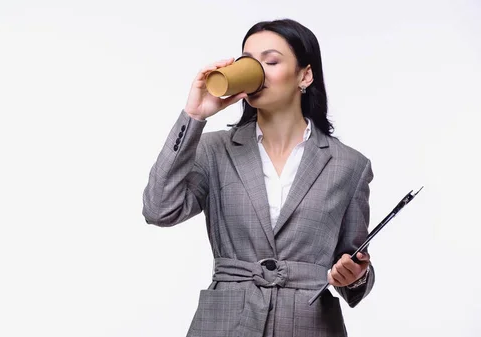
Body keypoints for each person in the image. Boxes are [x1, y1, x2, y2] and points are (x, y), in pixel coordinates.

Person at [142, 18, 374, 337]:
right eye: (249, 61)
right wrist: (194, 115)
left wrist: (355, 275)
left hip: (309, 325)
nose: (257, 71)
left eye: (271, 61)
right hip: (224, 324)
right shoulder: (214, 150)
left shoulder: (349, 164)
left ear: (304, 75)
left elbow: (353, 259)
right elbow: (159, 210)